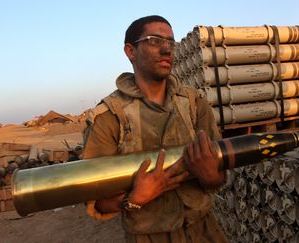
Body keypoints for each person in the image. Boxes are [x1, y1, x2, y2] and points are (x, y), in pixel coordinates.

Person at [82, 15, 228, 243]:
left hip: (204, 231)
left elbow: (218, 173)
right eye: (154, 41)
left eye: (171, 42)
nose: (166, 50)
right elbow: (93, 196)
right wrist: (134, 199)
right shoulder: (110, 116)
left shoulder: (193, 103)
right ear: (130, 51)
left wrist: (211, 176)